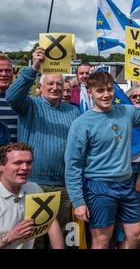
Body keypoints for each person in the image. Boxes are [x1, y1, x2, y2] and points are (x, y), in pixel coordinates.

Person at [65, 71, 140, 249]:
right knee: (102, 240)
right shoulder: (81, 123)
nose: (106, 94)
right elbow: (73, 165)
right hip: (99, 187)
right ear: (90, 93)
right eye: (100, 90)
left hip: (126, 185)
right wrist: (78, 202)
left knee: (135, 234)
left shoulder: (125, 111)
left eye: (109, 89)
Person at [6, 47, 80, 246]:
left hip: (64, 186)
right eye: (50, 83)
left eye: (59, 83)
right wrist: (34, 67)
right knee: (34, 239)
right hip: (33, 183)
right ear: (40, 86)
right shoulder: (29, 105)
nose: (55, 87)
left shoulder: (73, 112)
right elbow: (12, 95)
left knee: (62, 237)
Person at [0, 142, 64, 249]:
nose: (25, 167)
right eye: (18, 163)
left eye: (29, 162)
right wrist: (9, 237)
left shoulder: (34, 188)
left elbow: (52, 223)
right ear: (1, 166)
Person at [0, 55, 17, 143]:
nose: (4, 74)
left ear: (12, 73)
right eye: (0, 70)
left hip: (17, 154)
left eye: (7, 70)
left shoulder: (22, 99)